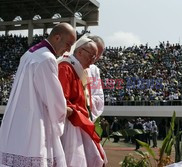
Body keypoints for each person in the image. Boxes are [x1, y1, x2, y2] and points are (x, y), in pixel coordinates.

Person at [0, 22, 76, 166]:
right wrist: (64, 110)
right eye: (68, 44)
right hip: (35, 121)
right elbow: (54, 99)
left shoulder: (29, 53)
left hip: (17, 120)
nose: (67, 50)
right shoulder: (47, 58)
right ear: (57, 37)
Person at [58, 36, 107, 167]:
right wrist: (77, 111)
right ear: (80, 51)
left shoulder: (85, 69)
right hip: (71, 123)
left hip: (81, 119)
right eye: (92, 56)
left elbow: (96, 97)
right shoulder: (66, 67)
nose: (93, 61)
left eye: (97, 56)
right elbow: (60, 101)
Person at [87, 35, 105, 122]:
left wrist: (87, 100)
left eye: (99, 55)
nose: (95, 57)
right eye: (94, 52)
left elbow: (99, 96)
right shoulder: (68, 64)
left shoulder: (94, 70)